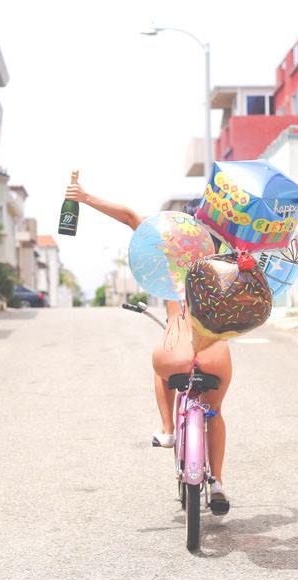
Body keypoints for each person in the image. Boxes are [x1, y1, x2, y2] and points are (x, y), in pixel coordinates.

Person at [64, 179, 232, 515]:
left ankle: (168, 429)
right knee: (214, 412)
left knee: (161, 370)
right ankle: (216, 483)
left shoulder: (171, 256)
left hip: (175, 351)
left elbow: (129, 216)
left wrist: (84, 196)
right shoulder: (225, 262)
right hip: (214, 352)